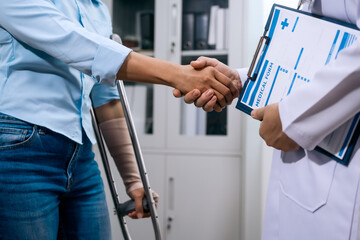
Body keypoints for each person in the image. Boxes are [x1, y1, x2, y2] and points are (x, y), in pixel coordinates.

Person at [0, 1, 239, 239]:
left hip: (80, 154)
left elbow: (106, 98)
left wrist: (134, 180)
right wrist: (180, 75)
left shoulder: (96, 9)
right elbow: (77, 46)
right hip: (19, 148)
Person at [175, 0, 360, 239]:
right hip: (307, 166)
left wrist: (292, 117)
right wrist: (242, 80)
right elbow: (320, 55)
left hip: (341, 170)